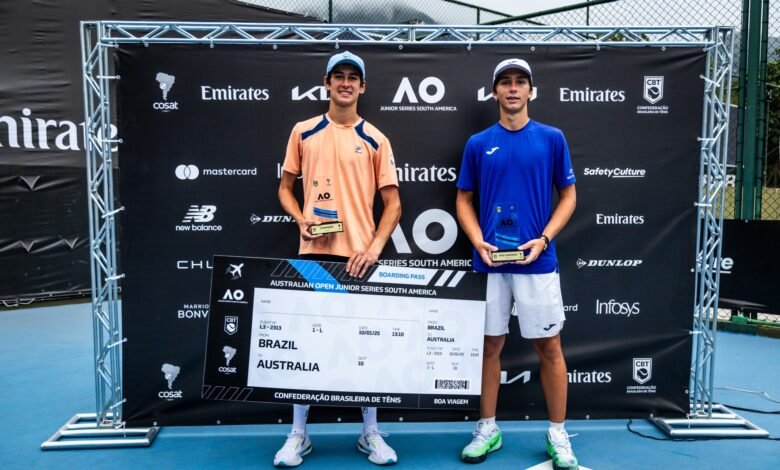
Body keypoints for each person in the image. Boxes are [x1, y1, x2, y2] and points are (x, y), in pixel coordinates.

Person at [275, 51, 402, 467]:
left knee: (365, 347)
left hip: (359, 258)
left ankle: (370, 433)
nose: (345, 83)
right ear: (326, 84)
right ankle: (299, 435)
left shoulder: (377, 139)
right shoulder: (303, 131)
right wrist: (300, 219)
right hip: (313, 253)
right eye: (338, 77)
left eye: (353, 78)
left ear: (362, 87)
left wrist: (373, 249)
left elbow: (394, 205)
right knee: (307, 346)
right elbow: (284, 189)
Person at [455, 58, 579, 470]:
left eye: (520, 82)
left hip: (538, 263)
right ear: (494, 92)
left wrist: (543, 239)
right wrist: (477, 240)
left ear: (530, 91)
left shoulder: (552, 138)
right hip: (491, 263)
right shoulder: (478, 143)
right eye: (505, 83)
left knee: (550, 347)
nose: (512, 89)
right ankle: (487, 428)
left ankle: (558, 434)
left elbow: (569, 197)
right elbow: (463, 200)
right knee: (490, 346)